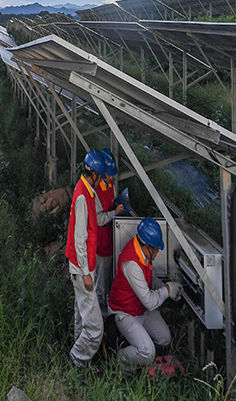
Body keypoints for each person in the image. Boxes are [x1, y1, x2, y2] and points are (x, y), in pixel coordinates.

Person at [107, 217, 182, 371]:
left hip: (140, 308)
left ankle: (138, 355)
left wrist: (161, 286)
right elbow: (149, 301)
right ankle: (116, 361)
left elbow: (150, 277)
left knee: (165, 338)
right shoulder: (131, 263)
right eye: (156, 249)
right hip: (124, 312)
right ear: (148, 246)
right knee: (148, 352)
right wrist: (167, 290)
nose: (157, 254)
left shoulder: (143, 252)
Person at [65, 149, 112, 368]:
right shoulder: (84, 196)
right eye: (101, 176)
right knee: (95, 328)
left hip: (81, 265)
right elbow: (80, 237)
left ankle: (77, 352)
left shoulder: (84, 189)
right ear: (93, 174)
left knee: (81, 316)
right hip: (82, 267)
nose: (102, 180)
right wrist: (86, 273)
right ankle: (77, 360)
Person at [93, 148, 123, 316]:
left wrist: (118, 207)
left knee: (108, 278)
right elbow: (98, 219)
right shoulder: (95, 190)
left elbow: (110, 203)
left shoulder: (109, 184)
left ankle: (107, 308)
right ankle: (100, 316)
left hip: (111, 239)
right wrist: (114, 213)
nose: (111, 178)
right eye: (108, 174)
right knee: (100, 282)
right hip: (101, 241)